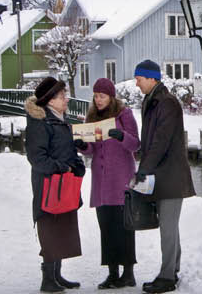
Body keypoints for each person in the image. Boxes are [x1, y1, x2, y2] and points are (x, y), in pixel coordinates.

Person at [132, 60, 195, 294]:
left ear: (152, 78)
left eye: (139, 79)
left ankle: (167, 277)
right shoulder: (153, 101)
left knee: (168, 228)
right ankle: (172, 270)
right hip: (162, 173)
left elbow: (161, 141)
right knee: (170, 227)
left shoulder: (166, 103)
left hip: (170, 174)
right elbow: (150, 141)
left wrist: (144, 168)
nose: (136, 83)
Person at [74, 78, 139, 289]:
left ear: (111, 96)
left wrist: (121, 136)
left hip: (121, 180)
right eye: (95, 96)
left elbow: (135, 144)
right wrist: (83, 145)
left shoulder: (124, 114)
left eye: (102, 96)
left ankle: (128, 273)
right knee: (107, 227)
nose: (98, 100)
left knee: (124, 227)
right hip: (101, 182)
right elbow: (92, 150)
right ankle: (113, 273)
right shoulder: (91, 117)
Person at [24, 77, 85, 293]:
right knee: (50, 229)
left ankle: (57, 275)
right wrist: (63, 167)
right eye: (61, 96)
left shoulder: (60, 119)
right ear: (50, 100)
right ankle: (47, 279)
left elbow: (64, 149)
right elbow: (36, 157)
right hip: (48, 186)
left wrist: (77, 161)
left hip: (63, 185)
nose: (66, 99)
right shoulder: (40, 122)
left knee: (61, 229)